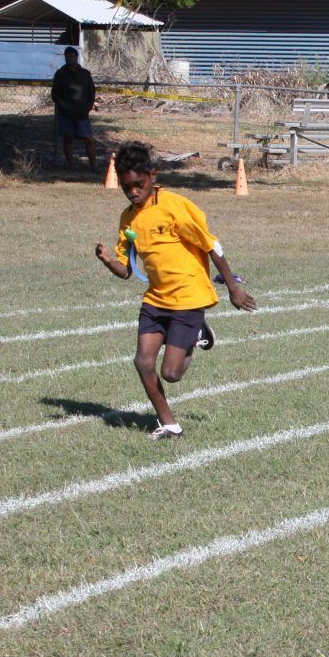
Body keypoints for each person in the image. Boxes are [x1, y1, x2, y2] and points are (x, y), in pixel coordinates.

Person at [94, 141, 256, 440]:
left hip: (187, 297)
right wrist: (107, 260)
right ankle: (170, 424)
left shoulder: (174, 207)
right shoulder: (128, 218)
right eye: (126, 187)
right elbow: (126, 270)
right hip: (156, 299)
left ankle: (197, 333)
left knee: (171, 373)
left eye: (139, 185)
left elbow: (212, 245)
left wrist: (232, 287)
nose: (133, 192)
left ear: (153, 176)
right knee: (142, 361)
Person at [51, 46, 98, 172]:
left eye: (72, 56)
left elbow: (92, 91)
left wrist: (88, 106)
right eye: (67, 56)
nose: (69, 59)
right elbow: (55, 94)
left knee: (88, 139)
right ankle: (71, 167)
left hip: (82, 113)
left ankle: (94, 166)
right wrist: (64, 106)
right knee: (68, 139)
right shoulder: (60, 74)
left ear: (76, 57)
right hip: (66, 114)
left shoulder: (85, 74)